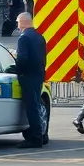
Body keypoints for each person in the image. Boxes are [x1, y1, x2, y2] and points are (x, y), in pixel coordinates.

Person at [15, 12, 48, 147]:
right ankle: (40, 135)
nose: (17, 25)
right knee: (35, 106)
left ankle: (35, 138)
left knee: (31, 107)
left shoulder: (23, 38)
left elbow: (22, 59)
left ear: (22, 22)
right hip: (38, 75)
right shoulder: (39, 37)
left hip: (27, 76)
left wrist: (16, 69)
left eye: (18, 22)